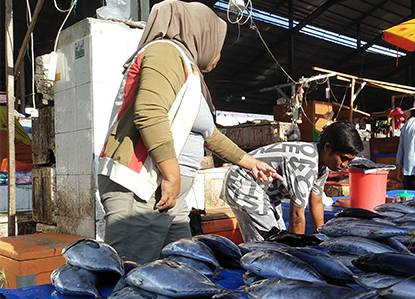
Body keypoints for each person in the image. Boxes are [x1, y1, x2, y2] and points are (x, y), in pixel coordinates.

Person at [97, 1, 279, 263]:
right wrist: (171, 176)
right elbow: (149, 111)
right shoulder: (164, 52)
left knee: (181, 268)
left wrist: (250, 162)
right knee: (132, 276)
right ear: (200, 33)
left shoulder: (188, 71)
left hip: (170, 198)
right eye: (217, 44)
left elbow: (209, 134)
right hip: (144, 193)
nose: (218, 55)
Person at [221, 122, 364, 242]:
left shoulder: (321, 165)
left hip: (266, 192)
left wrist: (324, 237)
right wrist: (299, 251)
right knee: (267, 243)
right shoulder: (305, 164)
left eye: (349, 161)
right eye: (343, 158)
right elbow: (296, 215)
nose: (345, 165)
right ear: (327, 148)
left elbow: (316, 201)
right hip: (243, 183)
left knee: (281, 237)